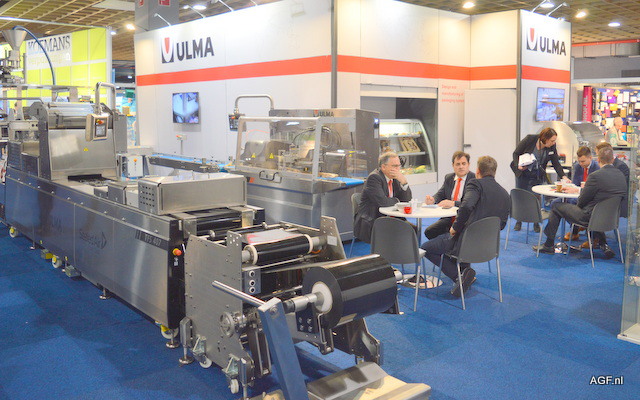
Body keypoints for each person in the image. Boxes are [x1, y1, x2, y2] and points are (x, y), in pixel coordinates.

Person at [421, 156, 510, 297]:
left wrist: (455, 228)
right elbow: (502, 224)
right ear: (494, 171)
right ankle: (463, 271)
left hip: (466, 242)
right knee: (434, 233)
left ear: (477, 170)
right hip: (489, 246)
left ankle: (459, 277)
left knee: (426, 248)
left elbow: (467, 206)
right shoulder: (505, 193)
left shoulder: (475, 184)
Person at [533, 146, 626, 258]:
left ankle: (548, 245)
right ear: (612, 159)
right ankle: (602, 244)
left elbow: (581, 201)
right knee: (586, 209)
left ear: (598, 159)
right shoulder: (621, 175)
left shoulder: (595, 176)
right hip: (612, 218)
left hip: (590, 217)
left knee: (556, 206)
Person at [510, 128, 567, 232]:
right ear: (545, 138)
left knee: (536, 198)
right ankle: (519, 221)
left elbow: (556, 163)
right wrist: (518, 165)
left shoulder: (551, 147)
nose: (554, 143)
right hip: (523, 173)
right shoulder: (530, 139)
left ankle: (536, 222)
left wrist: (563, 176)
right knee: (521, 197)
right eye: (552, 140)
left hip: (537, 175)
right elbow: (516, 153)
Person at [354, 152, 412, 243]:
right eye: (394, 166)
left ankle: (402, 252)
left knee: (413, 230)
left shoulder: (395, 177)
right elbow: (383, 202)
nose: (397, 169)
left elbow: (407, 200)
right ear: (384, 167)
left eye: (399, 166)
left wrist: (404, 182)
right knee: (402, 232)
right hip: (373, 221)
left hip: (392, 218)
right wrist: (397, 200)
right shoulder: (374, 178)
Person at [423, 151, 476, 239]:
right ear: (453, 165)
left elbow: (470, 204)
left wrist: (453, 203)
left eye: (464, 164)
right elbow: (441, 194)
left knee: (456, 237)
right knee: (429, 232)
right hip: (449, 217)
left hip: (465, 219)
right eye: (458, 164)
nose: (461, 167)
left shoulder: (474, 180)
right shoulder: (449, 178)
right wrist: (433, 199)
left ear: (468, 165)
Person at [559, 146, 599, 241]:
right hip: (577, 194)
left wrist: (581, 189)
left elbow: (595, 189)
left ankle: (575, 230)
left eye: (583, 161)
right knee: (556, 203)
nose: (581, 164)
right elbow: (575, 183)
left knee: (572, 202)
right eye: (579, 161)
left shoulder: (597, 168)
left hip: (590, 198)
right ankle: (577, 226)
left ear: (590, 158)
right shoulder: (577, 166)